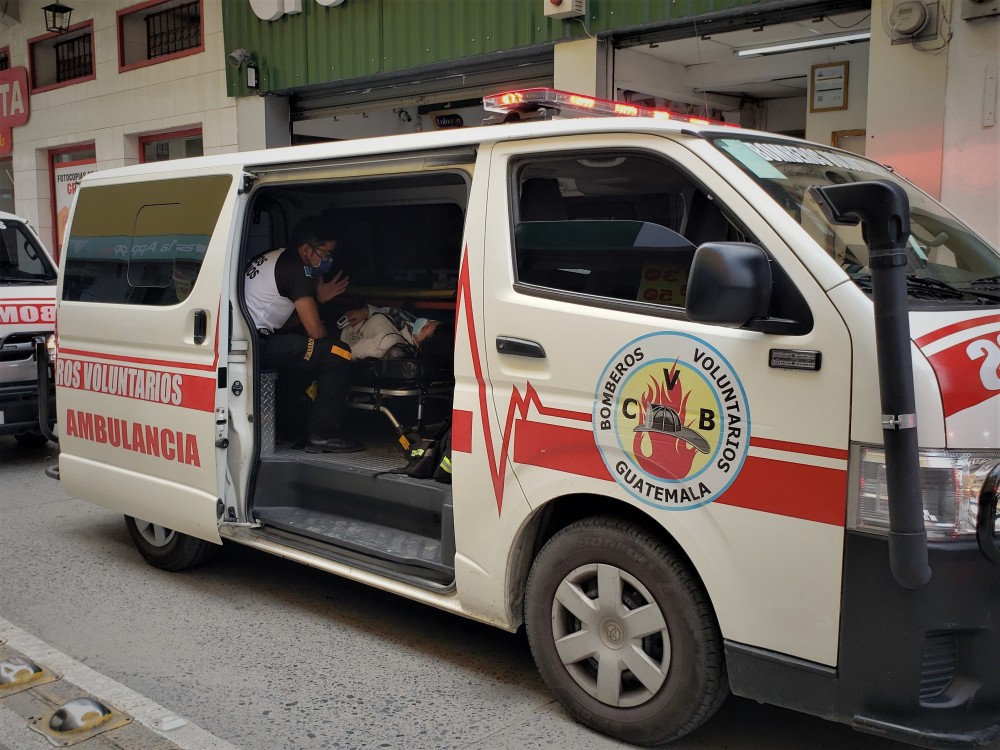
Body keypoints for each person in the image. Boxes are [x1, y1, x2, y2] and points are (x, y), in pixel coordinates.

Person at [244, 217, 362, 453]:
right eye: (326, 254)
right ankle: (323, 435)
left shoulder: (277, 255)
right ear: (306, 249)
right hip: (258, 343)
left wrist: (316, 299)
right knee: (336, 353)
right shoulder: (298, 269)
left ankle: (289, 426)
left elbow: (286, 322)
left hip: (249, 338)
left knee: (303, 352)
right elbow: (316, 332)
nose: (329, 260)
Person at [340, 305, 452, 361]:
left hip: (338, 339)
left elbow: (346, 353)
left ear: (420, 348)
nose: (424, 322)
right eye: (430, 321)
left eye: (424, 328)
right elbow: (389, 312)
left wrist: (329, 347)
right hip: (345, 322)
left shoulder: (389, 345)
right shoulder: (409, 324)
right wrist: (366, 312)